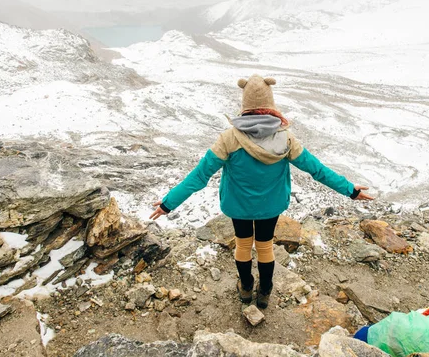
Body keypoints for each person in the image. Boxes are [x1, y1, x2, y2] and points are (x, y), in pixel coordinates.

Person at [150, 74, 374, 309]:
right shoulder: (286, 139)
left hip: (238, 206)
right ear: (271, 105)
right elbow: (317, 170)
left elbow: (199, 176)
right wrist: (350, 190)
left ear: (244, 105)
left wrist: (168, 204)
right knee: (265, 245)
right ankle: (265, 291)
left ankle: (246, 287)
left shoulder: (229, 139)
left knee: (243, 245)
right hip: (270, 205)